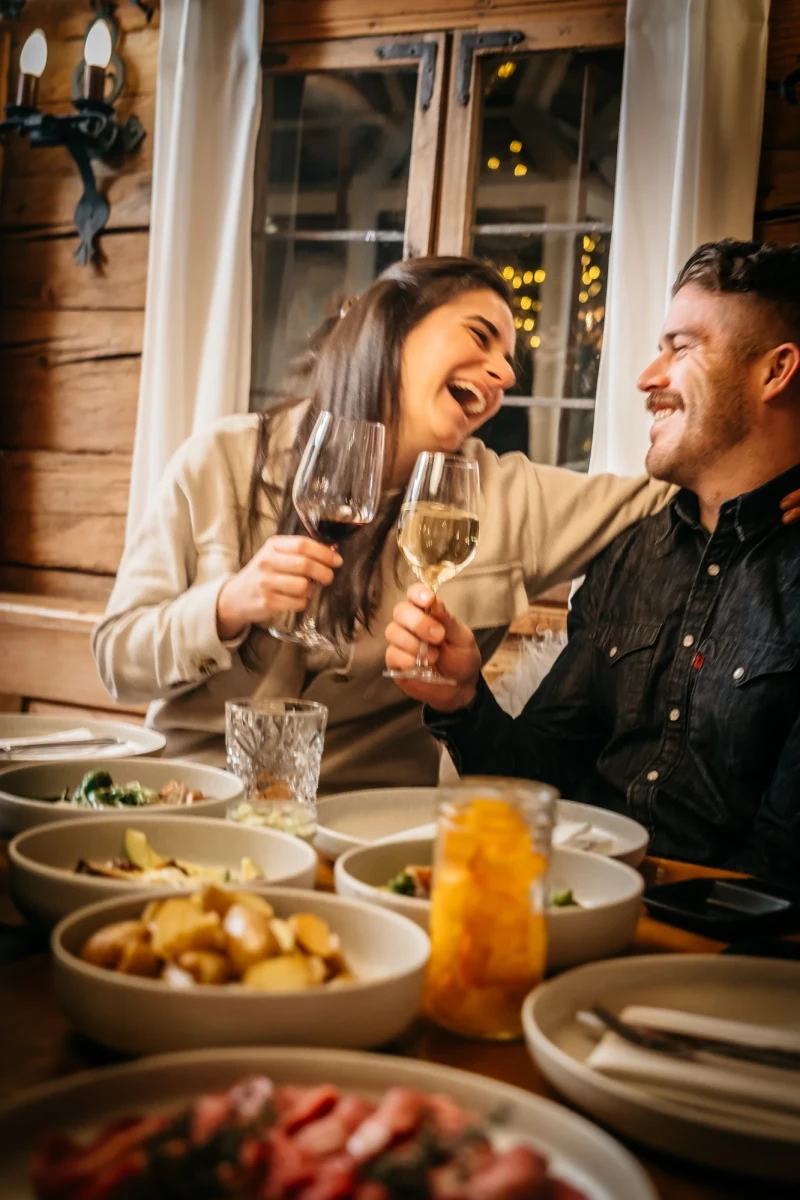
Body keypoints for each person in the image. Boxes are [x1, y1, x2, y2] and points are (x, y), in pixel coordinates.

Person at [93, 259, 686, 790]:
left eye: (509, 362)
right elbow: (117, 660)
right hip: (196, 801)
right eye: (481, 337)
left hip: (368, 832)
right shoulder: (220, 461)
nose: (504, 374)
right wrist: (225, 605)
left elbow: (662, 489)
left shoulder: (508, 498)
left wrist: (777, 475)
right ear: (392, 329)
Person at [385, 240, 800, 882]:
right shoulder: (631, 550)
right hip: (579, 898)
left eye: (681, 347)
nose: (647, 377)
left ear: (776, 372)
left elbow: (780, 869)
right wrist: (464, 700)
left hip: (725, 949)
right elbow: (543, 775)